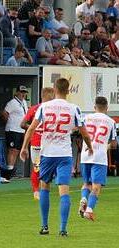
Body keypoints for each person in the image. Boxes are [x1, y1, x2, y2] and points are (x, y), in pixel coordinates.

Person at [20, 78, 93, 236]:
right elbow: (84, 133)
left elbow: (31, 128)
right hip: (64, 154)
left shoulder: (44, 107)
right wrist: (90, 146)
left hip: (47, 153)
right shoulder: (74, 108)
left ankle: (45, 226)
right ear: (68, 90)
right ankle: (63, 229)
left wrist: (24, 147)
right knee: (64, 191)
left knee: (44, 187)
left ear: (54, 89)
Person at [78, 96, 117, 221]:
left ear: (94, 107)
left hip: (85, 155)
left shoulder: (86, 117)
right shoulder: (111, 122)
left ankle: (84, 198)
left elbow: (81, 133)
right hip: (99, 156)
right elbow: (114, 143)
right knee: (96, 186)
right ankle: (89, 210)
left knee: (86, 183)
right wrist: (106, 146)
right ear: (107, 108)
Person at [20, 87, 55, 200]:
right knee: (49, 166)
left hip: (35, 143)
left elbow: (22, 124)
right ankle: (44, 188)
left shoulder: (34, 108)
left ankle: (36, 191)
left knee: (36, 167)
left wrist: (33, 128)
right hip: (49, 143)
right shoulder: (53, 110)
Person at [2, 85, 28, 178]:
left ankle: (11, 170)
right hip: (12, 129)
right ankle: (9, 170)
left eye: (24, 92)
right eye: (21, 92)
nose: (23, 94)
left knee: (17, 150)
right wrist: (9, 122)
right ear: (16, 92)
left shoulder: (24, 102)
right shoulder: (12, 102)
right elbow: (4, 113)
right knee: (12, 150)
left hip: (21, 130)